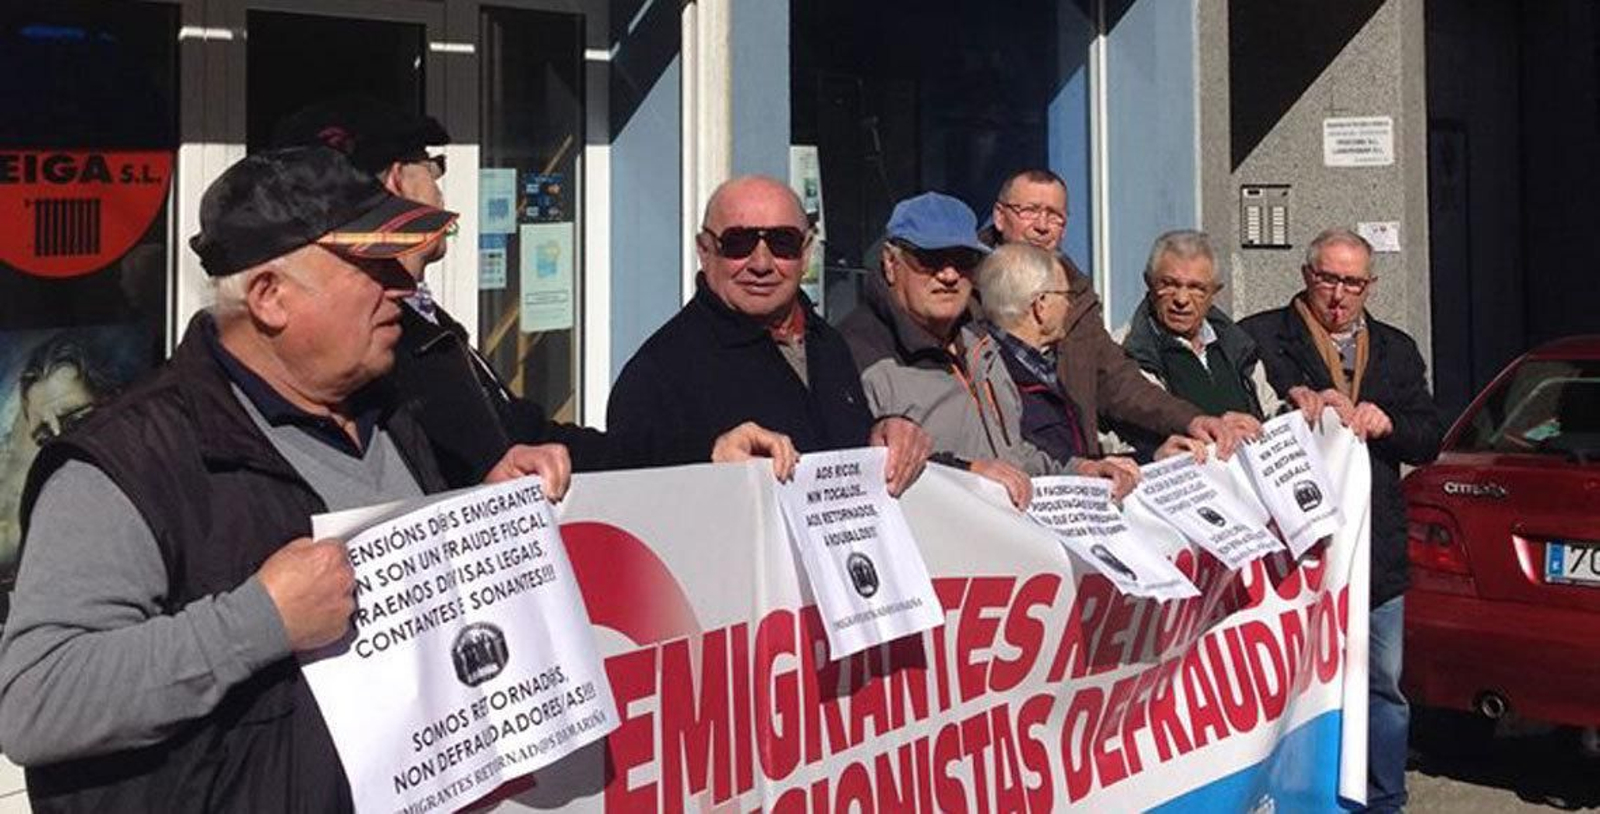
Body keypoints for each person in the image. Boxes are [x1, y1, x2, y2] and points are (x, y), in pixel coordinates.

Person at [0, 146, 575, 812]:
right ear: (271, 298)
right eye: (373, 266)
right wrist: (260, 620)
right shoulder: (130, 462)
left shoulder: (389, 411)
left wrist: (480, 513)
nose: (403, 287)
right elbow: (36, 699)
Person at [271, 97, 794, 484]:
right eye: (434, 169)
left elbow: (531, 438)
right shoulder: (362, 351)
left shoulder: (424, 326)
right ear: (396, 183)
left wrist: (707, 456)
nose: (440, 187)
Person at [1240, 227, 1443, 814]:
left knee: (1382, 685)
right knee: (1288, 684)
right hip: (1293, 553)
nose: (1338, 294)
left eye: (1352, 282)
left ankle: (1384, 799)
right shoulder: (1259, 338)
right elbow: (1244, 423)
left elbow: (1428, 436)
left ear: (1369, 286)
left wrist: (1390, 423)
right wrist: (1289, 408)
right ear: (1307, 276)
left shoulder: (1396, 348)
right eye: (1328, 278)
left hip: (1374, 549)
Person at [607, 175, 930, 495]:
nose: (761, 263)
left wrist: (884, 434)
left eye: (782, 244)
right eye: (738, 244)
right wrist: (706, 457)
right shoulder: (660, 371)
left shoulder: (828, 343)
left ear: (806, 253)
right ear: (705, 251)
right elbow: (635, 492)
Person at [840, 193, 1138, 509]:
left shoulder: (979, 342)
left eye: (964, 260)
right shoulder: (855, 353)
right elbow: (852, 476)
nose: (949, 275)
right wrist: (967, 474)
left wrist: (1078, 469)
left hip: (1002, 545)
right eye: (930, 259)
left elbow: (1010, 453)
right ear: (890, 263)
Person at [978, 169, 1255, 456]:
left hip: (1076, 476)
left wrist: (1192, 420)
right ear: (1000, 216)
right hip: (1002, 473)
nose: (1042, 226)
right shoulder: (966, 287)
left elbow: (1118, 383)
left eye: (1054, 215)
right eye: (1030, 211)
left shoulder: (1076, 295)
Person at [975, 242, 1207, 467]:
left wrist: (1154, 458)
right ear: (1041, 305)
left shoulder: (1042, 363)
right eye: (1065, 295)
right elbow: (1053, 468)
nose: (1069, 306)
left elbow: (1122, 389)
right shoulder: (995, 373)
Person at [1112, 230, 1322, 457]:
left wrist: (1298, 409)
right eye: (1169, 284)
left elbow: (1267, 414)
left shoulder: (1237, 347)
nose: (1181, 300)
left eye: (1196, 288)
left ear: (1215, 292)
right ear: (1149, 283)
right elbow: (1115, 448)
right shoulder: (1121, 352)